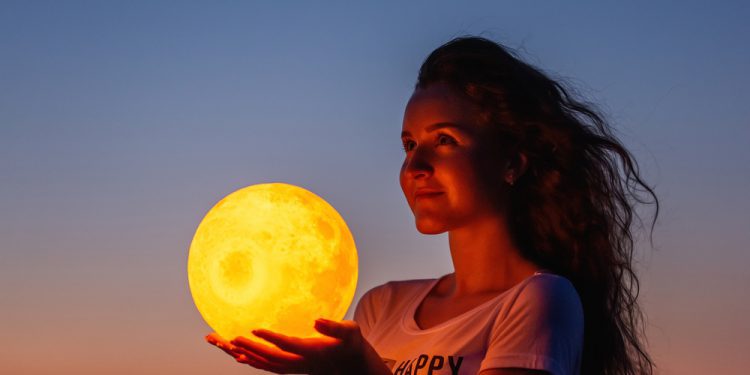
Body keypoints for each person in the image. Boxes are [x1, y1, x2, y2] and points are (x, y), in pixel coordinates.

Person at [206, 36, 659, 375]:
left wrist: (363, 370)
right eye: (408, 144)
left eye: (444, 140)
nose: (415, 164)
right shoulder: (381, 307)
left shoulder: (539, 300)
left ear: (511, 162)